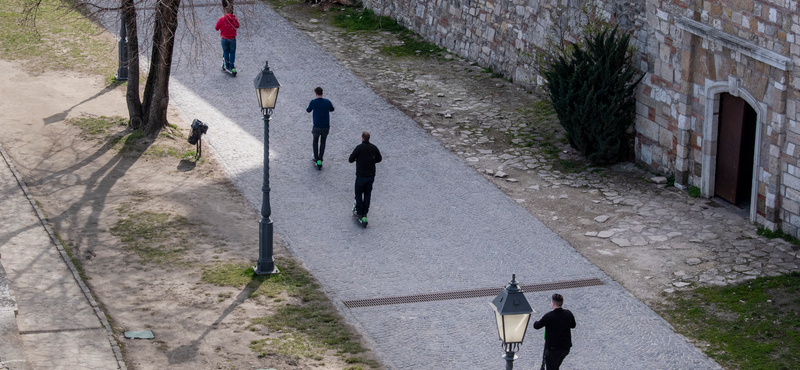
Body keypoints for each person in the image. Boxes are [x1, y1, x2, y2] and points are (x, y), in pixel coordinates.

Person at [532, 293, 576, 370]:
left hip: (552, 349)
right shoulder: (568, 314)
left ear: (553, 304)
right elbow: (573, 325)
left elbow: (537, 326)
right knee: (555, 366)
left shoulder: (549, 316)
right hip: (565, 348)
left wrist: (534, 322)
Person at [348, 131, 382, 224]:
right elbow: (379, 159)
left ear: (362, 138)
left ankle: (359, 213)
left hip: (361, 175)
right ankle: (365, 213)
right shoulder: (374, 148)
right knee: (367, 194)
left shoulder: (359, 148)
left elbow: (350, 159)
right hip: (370, 176)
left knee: (358, 194)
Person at [306, 87, 335, 167]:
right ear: (322, 93)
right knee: (323, 142)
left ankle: (316, 158)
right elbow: (332, 109)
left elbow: (308, 110)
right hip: (325, 126)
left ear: (316, 94)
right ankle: (320, 159)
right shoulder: (327, 102)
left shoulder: (313, 102)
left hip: (317, 126)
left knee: (315, 141)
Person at [215, 6, 239, 74]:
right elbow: (237, 26)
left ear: (225, 12)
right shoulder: (234, 19)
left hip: (224, 38)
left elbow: (216, 28)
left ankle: (227, 65)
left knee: (226, 52)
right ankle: (231, 66)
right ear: (231, 12)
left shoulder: (221, 19)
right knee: (232, 52)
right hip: (232, 38)